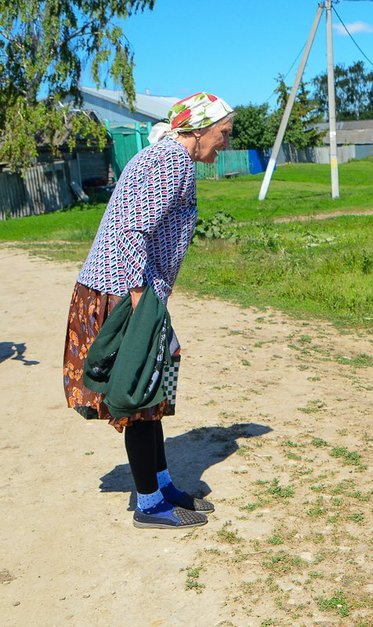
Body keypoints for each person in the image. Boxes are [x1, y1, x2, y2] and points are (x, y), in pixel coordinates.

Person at [63, 92, 234, 529]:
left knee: (154, 392)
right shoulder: (169, 161)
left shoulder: (174, 160)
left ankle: (161, 484)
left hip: (135, 289)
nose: (226, 144)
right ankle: (149, 503)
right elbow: (131, 230)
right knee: (140, 394)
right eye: (223, 134)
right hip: (124, 292)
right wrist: (140, 301)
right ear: (197, 129)